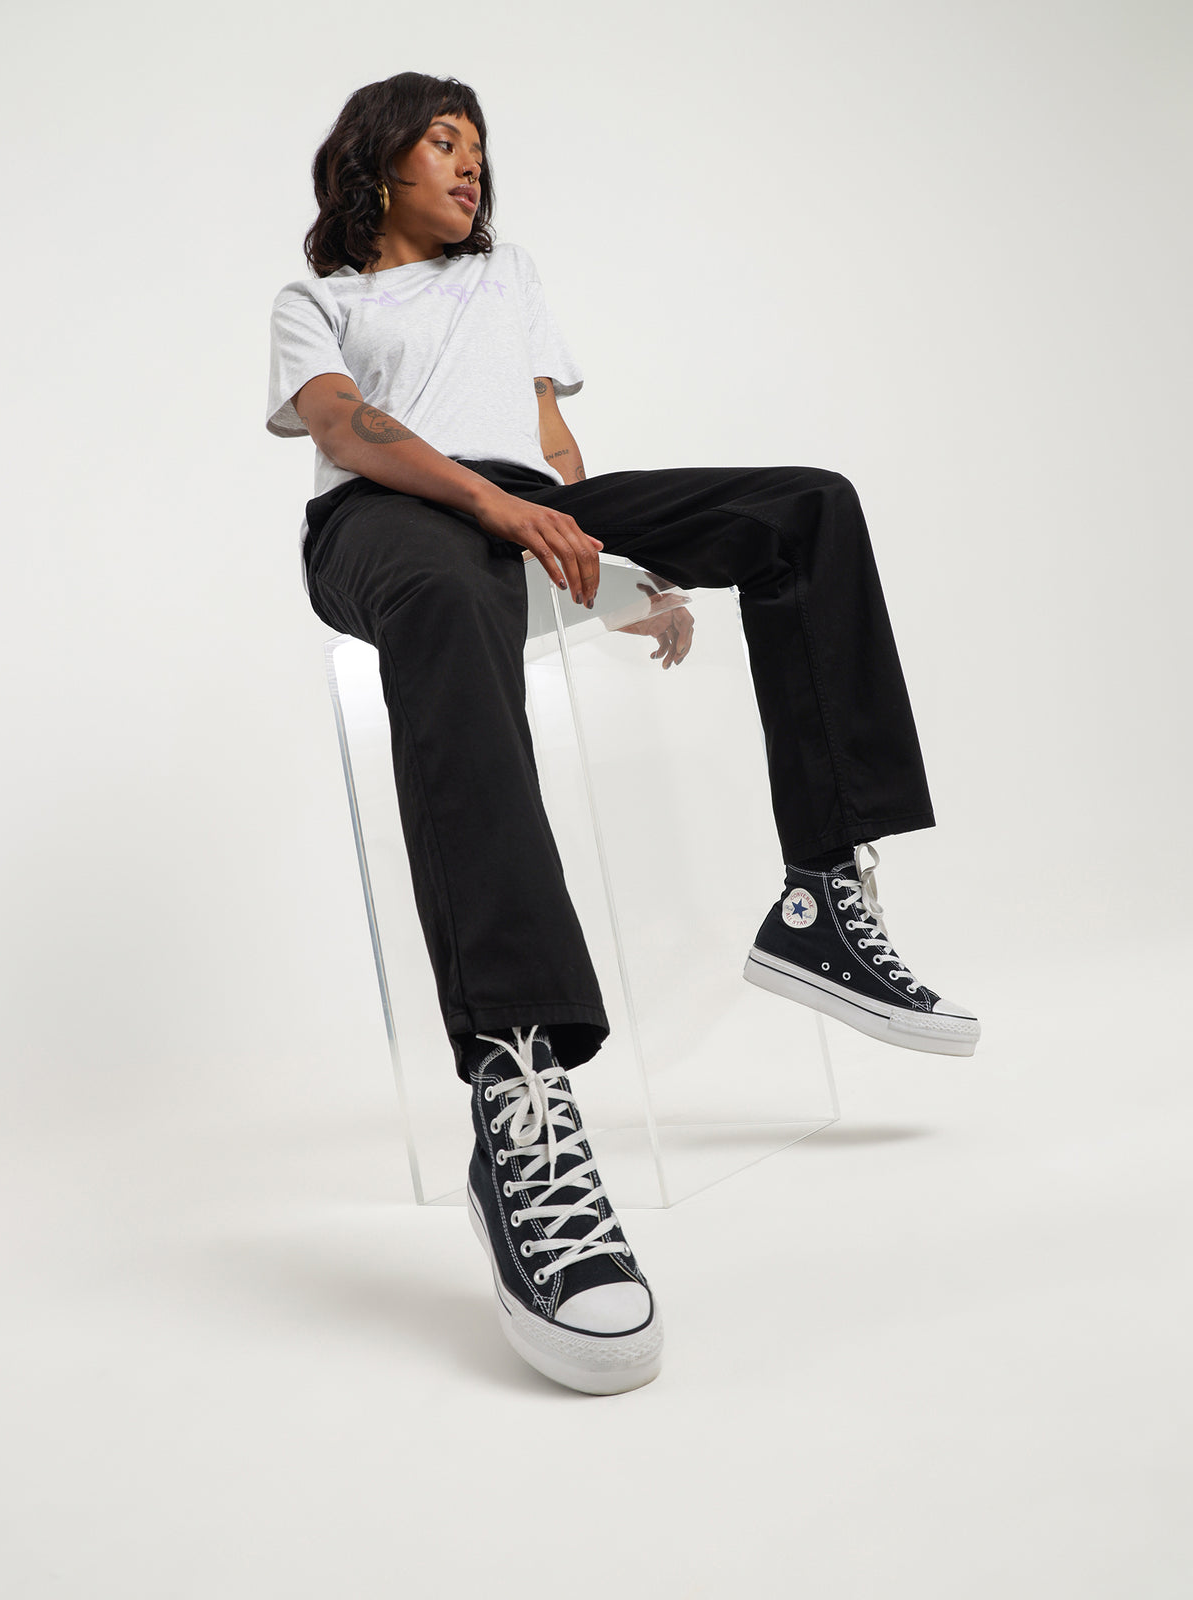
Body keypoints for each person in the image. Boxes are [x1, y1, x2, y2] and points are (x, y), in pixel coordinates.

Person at [266, 71, 979, 1398]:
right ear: (376, 164)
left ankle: (821, 898)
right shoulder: (323, 302)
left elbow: (553, 449)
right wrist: (497, 513)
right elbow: (346, 430)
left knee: (807, 509)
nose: (471, 167)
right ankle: (518, 1086)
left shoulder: (510, 274)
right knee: (447, 596)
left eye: (481, 148)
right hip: (387, 521)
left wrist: (611, 568)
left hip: (523, 507)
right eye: (443, 143)